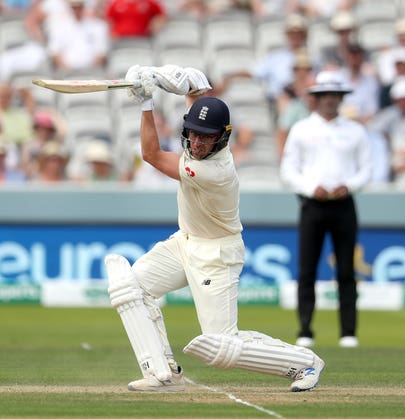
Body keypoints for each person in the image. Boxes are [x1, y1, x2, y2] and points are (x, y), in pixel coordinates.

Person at [104, 64, 325, 393]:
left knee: (221, 348)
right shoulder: (197, 146)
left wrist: (146, 102)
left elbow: (150, 154)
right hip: (184, 243)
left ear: (222, 137)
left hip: (216, 254)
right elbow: (197, 104)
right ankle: (162, 373)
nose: (196, 141)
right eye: (192, 132)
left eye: (206, 136)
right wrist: (191, 82)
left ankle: (304, 362)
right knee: (131, 288)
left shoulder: (214, 171)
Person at [280, 71, 372, 349]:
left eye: (335, 95)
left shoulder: (355, 131)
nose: (330, 100)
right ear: (316, 99)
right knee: (307, 269)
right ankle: (305, 330)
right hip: (312, 205)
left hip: (344, 205)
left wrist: (349, 185)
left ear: (341, 98)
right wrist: (311, 188)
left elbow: (367, 169)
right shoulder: (301, 129)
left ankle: (348, 332)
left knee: (346, 271)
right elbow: (288, 170)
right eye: (325, 95)